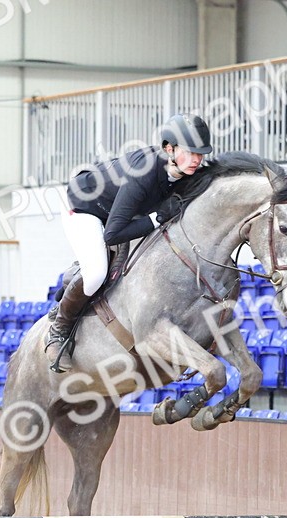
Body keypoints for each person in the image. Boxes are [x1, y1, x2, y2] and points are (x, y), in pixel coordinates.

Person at [46, 113, 213, 371]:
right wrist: (157, 217)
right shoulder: (144, 174)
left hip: (121, 209)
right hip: (85, 206)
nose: (196, 160)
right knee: (96, 274)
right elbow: (112, 234)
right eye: (190, 153)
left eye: (201, 154)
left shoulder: (188, 170)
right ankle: (58, 329)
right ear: (169, 148)